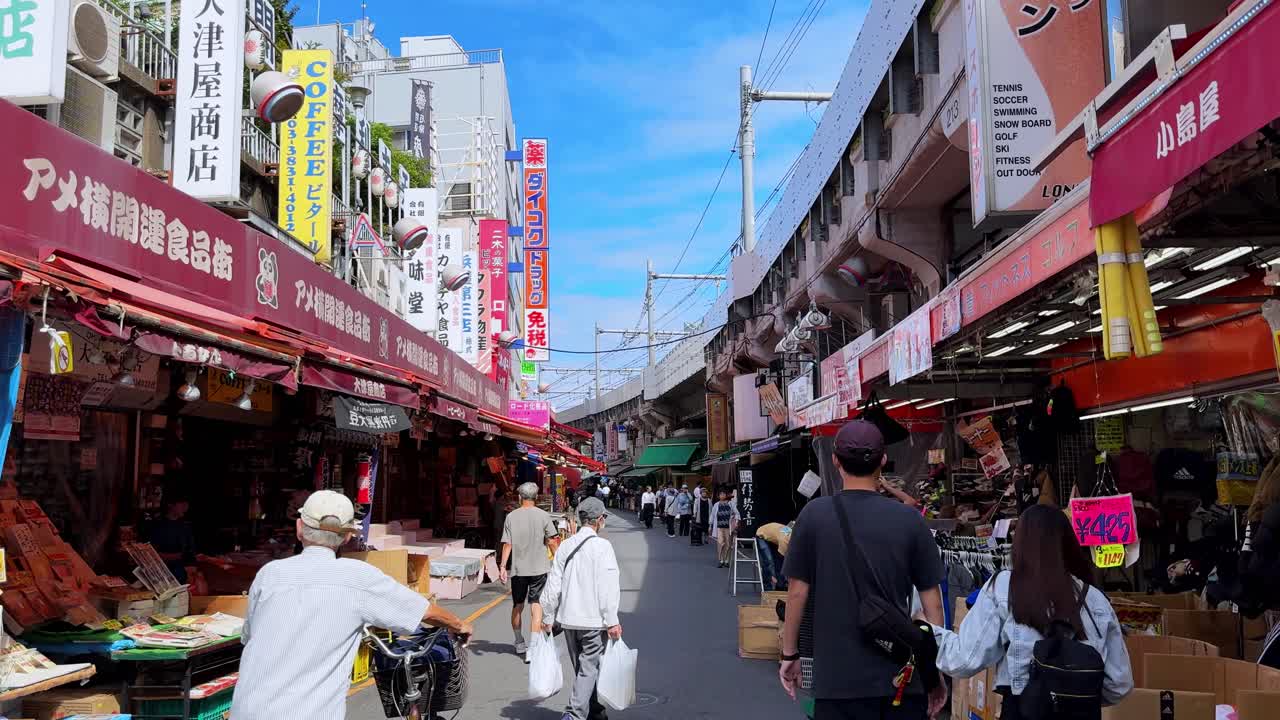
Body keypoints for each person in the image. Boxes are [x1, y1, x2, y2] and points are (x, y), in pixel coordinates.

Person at [231, 490, 472, 720]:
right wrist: (459, 625)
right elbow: (423, 611)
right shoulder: (357, 577)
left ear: (299, 528)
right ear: (348, 536)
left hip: (246, 709)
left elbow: (249, 636)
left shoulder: (270, 574)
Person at [780, 420, 947, 720]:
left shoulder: (814, 516)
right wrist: (934, 672)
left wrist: (790, 654)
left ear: (835, 460)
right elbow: (932, 603)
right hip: (901, 679)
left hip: (837, 682)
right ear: (883, 460)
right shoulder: (909, 520)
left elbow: (797, 593)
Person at [930, 504, 1134, 717]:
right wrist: (1072, 697)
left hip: (1023, 711)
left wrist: (926, 634)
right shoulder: (1095, 599)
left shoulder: (1004, 587)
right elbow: (1119, 684)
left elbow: (965, 659)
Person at [534, 497, 622, 720]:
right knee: (589, 668)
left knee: (583, 669)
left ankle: (594, 710)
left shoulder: (566, 545)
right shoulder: (603, 547)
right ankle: (574, 715)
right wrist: (612, 619)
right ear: (599, 520)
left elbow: (553, 583)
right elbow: (608, 585)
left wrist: (548, 615)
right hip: (593, 621)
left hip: (569, 620)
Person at [499, 482, 558, 660]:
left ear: (519, 497)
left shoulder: (511, 517)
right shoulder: (544, 515)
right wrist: (558, 561)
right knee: (536, 605)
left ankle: (519, 642)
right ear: (536, 498)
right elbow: (553, 540)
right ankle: (533, 647)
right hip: (539, 568)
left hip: (518, 569)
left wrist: (502, 566)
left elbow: (507, 544)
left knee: (517, 605)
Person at [148, 496, 197, 584]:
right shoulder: (158, 526)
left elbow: (191, 552)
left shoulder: (186, 526)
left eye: (186, 504)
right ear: (171, 505)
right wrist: (180, 556)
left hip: (184, 568)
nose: (185, 507)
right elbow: (153, 555)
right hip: (165, 571)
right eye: (182, 503)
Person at [755, 522, 793, 591]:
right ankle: (767, 588)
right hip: (761, 534)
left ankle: (780, 585)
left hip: (773, 537)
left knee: (778, 562)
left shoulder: (793, 536)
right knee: (769, 561)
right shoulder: (784, 541)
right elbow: (783, 562)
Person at [709, 490, 739, 568]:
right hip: (719, 527)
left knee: (728, 544)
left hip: (728, 527)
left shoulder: (731, 503)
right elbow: (712, 515)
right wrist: (710, 525)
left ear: (726, 495)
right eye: (721, 494)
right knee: (720, 543)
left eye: (723, 494)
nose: (722, 496)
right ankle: (720, 560)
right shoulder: (716, 505)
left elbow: (737, 513)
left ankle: (726, 561)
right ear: (719, 496)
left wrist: (736, 522)